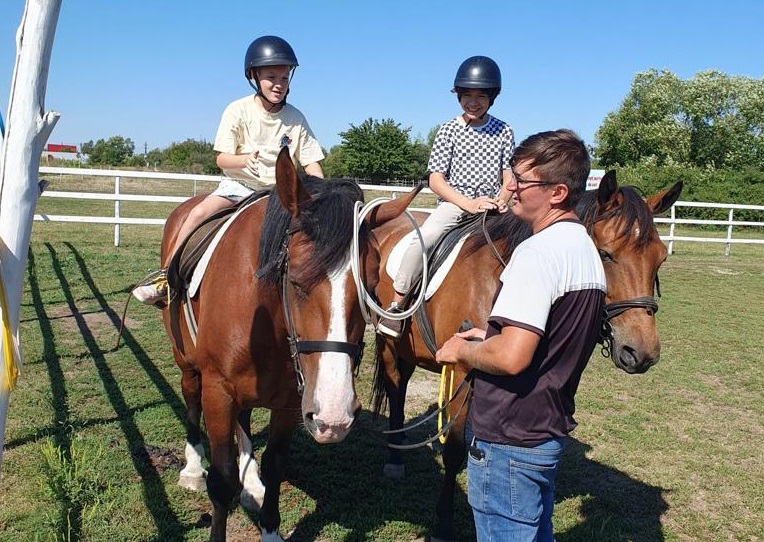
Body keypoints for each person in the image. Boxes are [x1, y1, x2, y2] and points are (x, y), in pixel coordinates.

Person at [434, 129, 606, 541]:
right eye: (511, 175)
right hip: (544, 433)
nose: (510, 186)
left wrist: (462, 349)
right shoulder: (583, 249)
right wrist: (489, 335)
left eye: (522, 180)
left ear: (557, 192)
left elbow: (512, 357)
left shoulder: (537, 252)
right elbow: (548, 335)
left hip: (508, 439)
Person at [132, 35, 324, 306]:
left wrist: (318, 190)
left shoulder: (296, 118)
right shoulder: (238, 110)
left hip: (279, 196)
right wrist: (244, 160)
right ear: (254, 76)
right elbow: (222, 159)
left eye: (284, 78)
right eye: (271, 77)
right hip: (239, 188)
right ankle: (165, 278)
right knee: (198, 213)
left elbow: (311, 161)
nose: (279, 85)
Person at [377, 55, 514, 340]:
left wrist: (502, 199)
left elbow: (508, 175)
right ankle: (398, 302)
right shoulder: (448, 130)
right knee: (424, 238)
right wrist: (467, 204)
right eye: (467, 96)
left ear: (492, 98)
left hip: (492, 207)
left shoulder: (504, 131)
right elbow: (436, 180)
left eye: (480, 96)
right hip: (455, 205)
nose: (473, 102)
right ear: (459, 96)